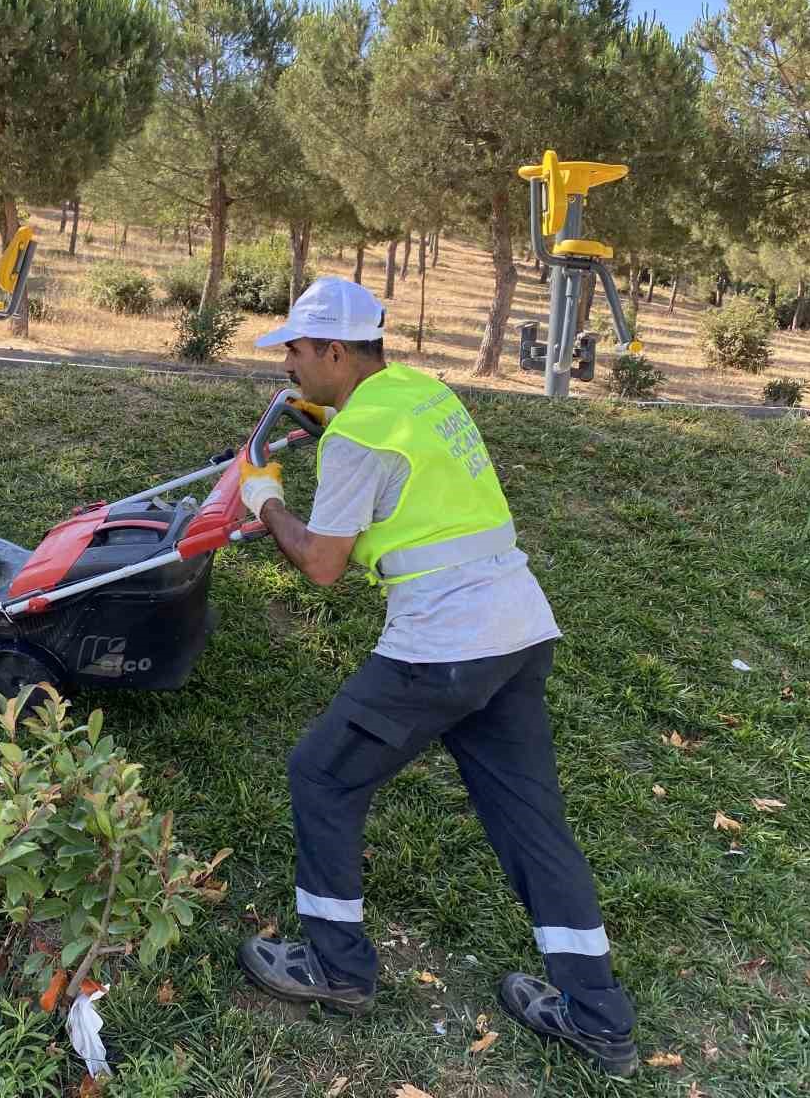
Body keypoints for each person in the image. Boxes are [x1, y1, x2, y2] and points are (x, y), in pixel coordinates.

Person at [234, 277, 638, 1076]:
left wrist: (266, 499)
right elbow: (401, 457)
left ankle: (337, 967)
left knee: (321, 773)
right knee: (532, 824)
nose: (288, 364)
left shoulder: (359, 439)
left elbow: (321, 564)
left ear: (337, 352)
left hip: (443, 647)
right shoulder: (421, 392)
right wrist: (330, 421)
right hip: (519, 632)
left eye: (299, 350)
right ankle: (597, 1017)